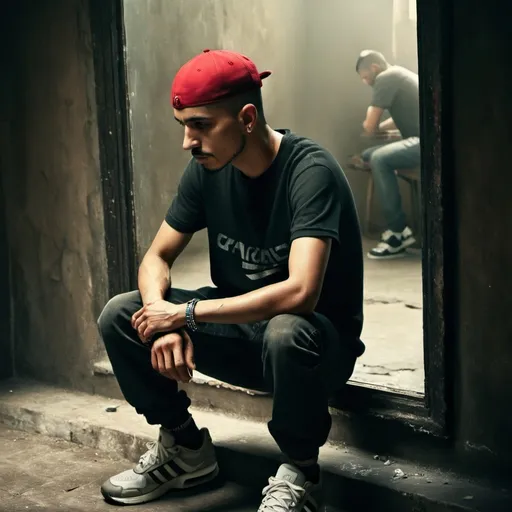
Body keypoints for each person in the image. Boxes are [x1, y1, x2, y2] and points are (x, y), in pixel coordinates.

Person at [97, 48, 365, 512]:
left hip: (313, 350)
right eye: (183, 125)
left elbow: (301, 292)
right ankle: (186, 450)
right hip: (242, 335)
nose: (188, 141)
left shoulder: (310, 172)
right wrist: (163, 317)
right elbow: (156, 257)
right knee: (122, 313)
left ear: (245, 118)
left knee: (286, 329)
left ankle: (301, 470)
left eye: (200, 125)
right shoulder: (206, 172)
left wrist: (184, 313)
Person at [356, 49, 421, 259]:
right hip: (420, 140)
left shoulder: (386, 77)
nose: (366, 82)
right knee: (368, 155)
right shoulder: (399, 75)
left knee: (379, 158)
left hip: (427, 143)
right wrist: (379, 128)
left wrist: (370, 126)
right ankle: (400, 229)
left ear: (375, 68)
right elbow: (399, 115)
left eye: (365, 77)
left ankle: (398, 233)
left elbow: (369, 125)